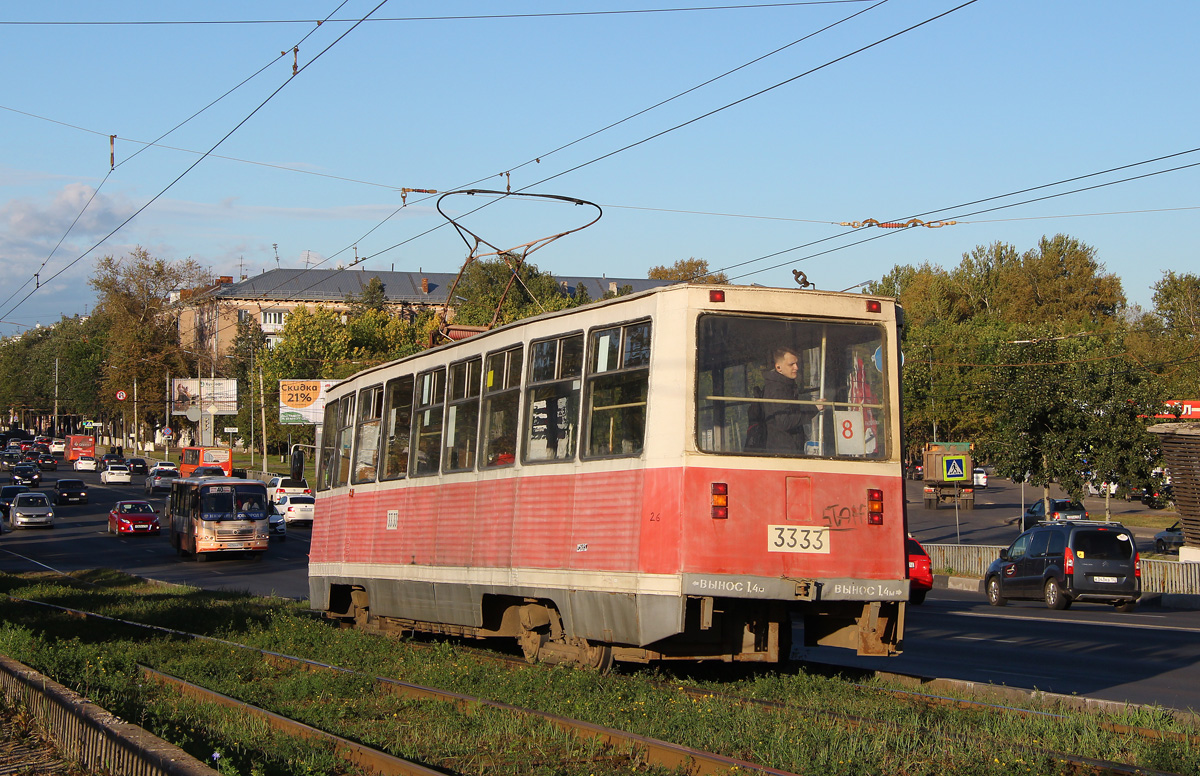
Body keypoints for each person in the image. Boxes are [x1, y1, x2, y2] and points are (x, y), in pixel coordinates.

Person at [759, 347, 819, 453]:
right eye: (791, 364)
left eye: (796, 363)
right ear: (778, 367)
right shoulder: (777, 389)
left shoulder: (786, 385)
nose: (796, 367)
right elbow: (784, 421)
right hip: (784, 450)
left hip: (788, 447)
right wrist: (813, 408)